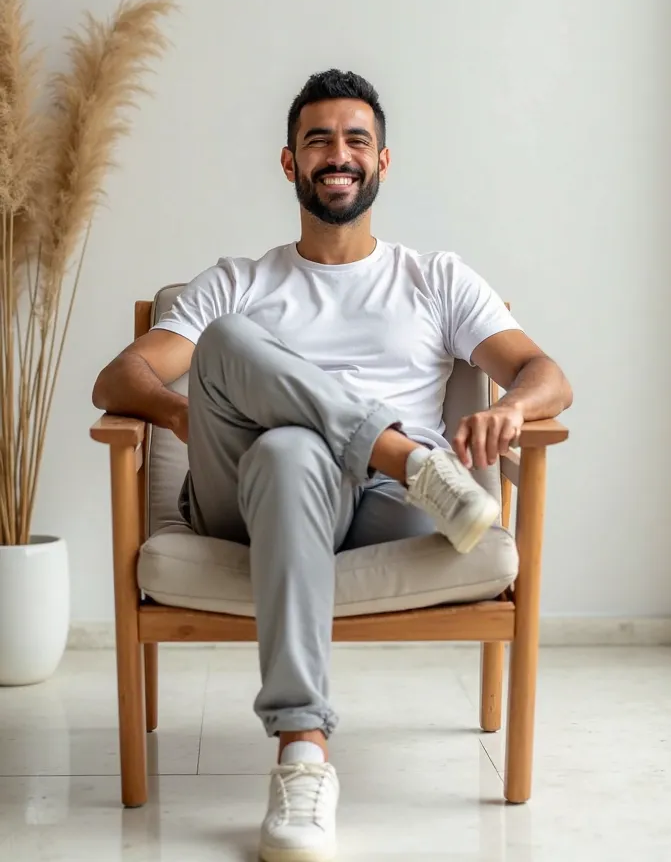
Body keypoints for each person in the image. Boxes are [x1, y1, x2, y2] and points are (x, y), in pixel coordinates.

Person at [93, 69, 572, 862]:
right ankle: (408, 459)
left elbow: (546, 372)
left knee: (291, 443)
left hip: (389, 507)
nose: (338, 154)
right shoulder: (238, 283)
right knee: (238, 368)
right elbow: (119, 379)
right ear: (291, 164)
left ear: (384, 161)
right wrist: (199, 413)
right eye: (318, 140)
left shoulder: (435, 279)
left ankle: (302, 754)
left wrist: (511, 411)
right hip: (251, 500)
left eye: (356, 140)